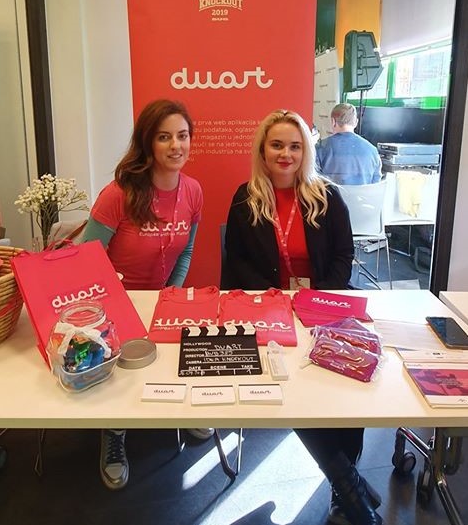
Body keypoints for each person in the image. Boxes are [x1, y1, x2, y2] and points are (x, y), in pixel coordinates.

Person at [223, 109, 382, 525]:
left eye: (295, 146)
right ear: (263, 150)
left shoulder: (327, 195)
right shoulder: (245, 198)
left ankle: (344, 485)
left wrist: (317, 298)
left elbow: (344, 254)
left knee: (346, 389)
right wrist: (276, 299)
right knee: (291, 391)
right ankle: (349, 487)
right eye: (277, 145)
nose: (286, 154)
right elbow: (236, 262)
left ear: (306, 151)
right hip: (269, 311)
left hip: (324, 307)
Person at [83, 99, 212, 490]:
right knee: (119, 375)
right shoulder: (118, 194)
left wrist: (170, 295)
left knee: (175, 357)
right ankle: (114, 433)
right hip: (114, 303)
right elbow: (88, 258)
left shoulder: (193, 190)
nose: (176, 146)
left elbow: (187, 249)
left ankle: (183, 411)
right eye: (164, 137)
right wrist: (119, 304)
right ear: (147, 143)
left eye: (182, 136)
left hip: (163, 298)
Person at [316, 103, 382, 185]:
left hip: (331, 194)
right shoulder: (373, 151)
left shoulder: (320, 148)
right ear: (356, 122)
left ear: (333, 122)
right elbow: (376, 185)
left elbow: (313, 183)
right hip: (363, 194)